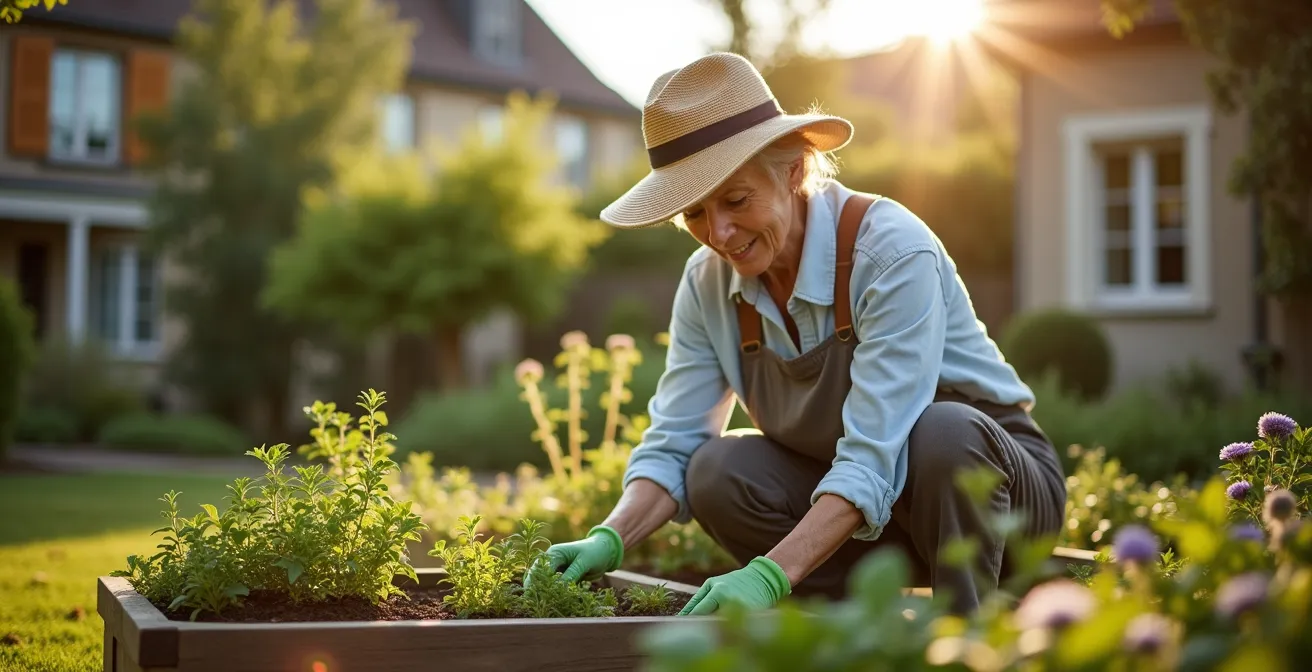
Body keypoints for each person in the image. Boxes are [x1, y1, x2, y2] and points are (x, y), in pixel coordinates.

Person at [539, 52, 1066, 616]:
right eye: (694, 214)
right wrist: (610, 538)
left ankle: (965, 636)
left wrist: (767, 574)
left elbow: (874, 450)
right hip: (877, 523)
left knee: (943, 431)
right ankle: (834, 624)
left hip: (998, 503)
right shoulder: (707, 282)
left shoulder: (889, 252)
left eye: (736, 200)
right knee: (716, 472)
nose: (718, 233)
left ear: (794, 170)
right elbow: (677, 440)